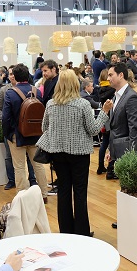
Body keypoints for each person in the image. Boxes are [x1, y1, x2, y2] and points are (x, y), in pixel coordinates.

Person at [37, 69, 112, 235]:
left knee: (63, 191)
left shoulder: (51, 104)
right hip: (79, 154)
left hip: (57, 152)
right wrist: (104, 112)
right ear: (75, 84)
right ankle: (82, 232)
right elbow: (93, 130)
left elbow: (44, 128)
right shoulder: (82, 104)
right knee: (79, 192)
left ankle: (66, 231)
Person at [2, 63, 49, 200]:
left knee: (19, 167)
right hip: (35, 134)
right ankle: (44, 194)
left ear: (15, 76)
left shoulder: (10, 93)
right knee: (38, 165)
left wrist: (8, 134)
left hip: (17, 135)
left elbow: (6, 117)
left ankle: (22, 196)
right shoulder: (37, 91)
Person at [104, 62, 137, 179]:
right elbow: (114, 127)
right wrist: (111, 149)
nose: (108, 78)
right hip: (117, 151)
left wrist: (132, 157)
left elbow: (134, 129)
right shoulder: (115, 96)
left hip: (126, 152)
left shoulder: (131, 97)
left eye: (111, 75)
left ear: (121, 75)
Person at [96, 69, 115, 175]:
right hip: (111, 118)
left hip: (103, 118)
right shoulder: (113, 90)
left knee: (104, 143)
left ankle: (100, 166)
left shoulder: (100, 90)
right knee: (111, 142)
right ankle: (110, 168)